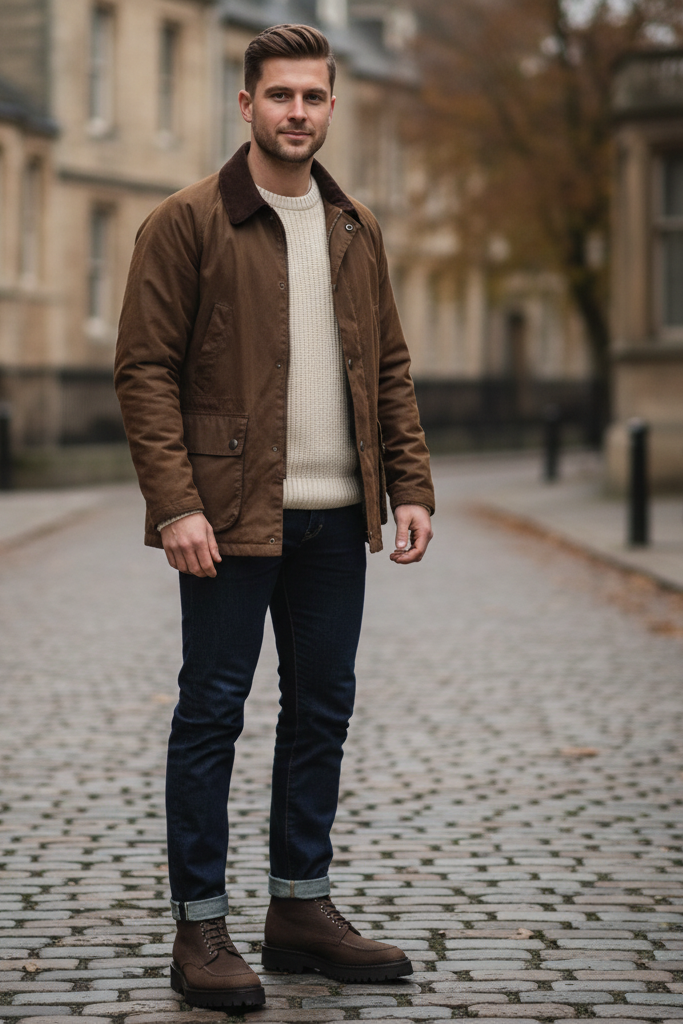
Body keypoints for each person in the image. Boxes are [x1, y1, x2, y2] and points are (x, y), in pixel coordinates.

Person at [114, 22, 435, 1010]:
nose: (297, 112)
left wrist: (410, 485)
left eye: (313, 96)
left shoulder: (353, 228)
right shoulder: (186, 222)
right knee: (211, 714)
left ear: (331, 106)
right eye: (279, 95)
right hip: (229, 519)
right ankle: (199, 929)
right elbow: (143, 370)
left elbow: (384, 364)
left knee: (320, 712)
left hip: (337, 520)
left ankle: (299, 908)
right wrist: (175, 504)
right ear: (245, 103)